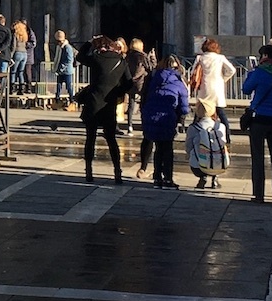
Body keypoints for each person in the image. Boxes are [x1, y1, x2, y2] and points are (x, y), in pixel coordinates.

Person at [241, 43, 272, 204]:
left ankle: (259, 194)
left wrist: (251, 74)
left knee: (258, 157)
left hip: (259, 118)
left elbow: (246, 89)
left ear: (266, 57)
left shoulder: (260, 72)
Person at [78, 36, 133, 184]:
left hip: (94, 103)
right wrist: (116, 93)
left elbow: (80, 57)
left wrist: (89, 42)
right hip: (109, 105)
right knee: (111, 139)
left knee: (91, 138)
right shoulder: (121, 61)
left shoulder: (96, 58)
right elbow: (129, 83)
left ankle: (89, 171)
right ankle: (117, 172)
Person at [139, 55, 190, 189]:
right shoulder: (178, 82)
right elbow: (184, 107)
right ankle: (167, 178)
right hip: (167, 117)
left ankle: (157, 178)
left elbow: (145, 96)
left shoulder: (153, 78)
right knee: (167, 149)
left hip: (151, 116)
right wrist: (181, 116)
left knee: (158, 147)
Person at [189, 38, 234, 128]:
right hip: (217, 87)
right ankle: (227, 135)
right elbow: (232, 70)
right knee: (220, 112)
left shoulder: (200, 58)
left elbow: (193, 72)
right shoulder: (220, 58)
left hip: (204, 86)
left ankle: (194, 130)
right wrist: (224, 78)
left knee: (200, 111)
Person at [184, 98, 228, 190]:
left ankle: (202, 177)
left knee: (195, 153)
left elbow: (188, 146)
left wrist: (189, 155)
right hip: (219, 165)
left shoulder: (193, 128)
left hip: (198, 165)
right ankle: (215, 178)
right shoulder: (221, 126)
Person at [53, 29, 76, 110]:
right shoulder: (60, 47)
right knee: (58, 86)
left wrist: (61, 68)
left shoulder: (67, 47)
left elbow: (69, 60)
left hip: (67, 71)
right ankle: (57, 101)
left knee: (69, 87)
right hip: (60, 70)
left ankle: (72, 102)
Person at [9, 19, 32, 95]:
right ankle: (21, 89)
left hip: (17, 53)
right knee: (21, 72)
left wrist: (11, 56)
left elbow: (13, 46)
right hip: (24, 54)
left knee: (13, 72)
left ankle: (12, 89)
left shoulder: (15, 34)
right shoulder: (24, 34)